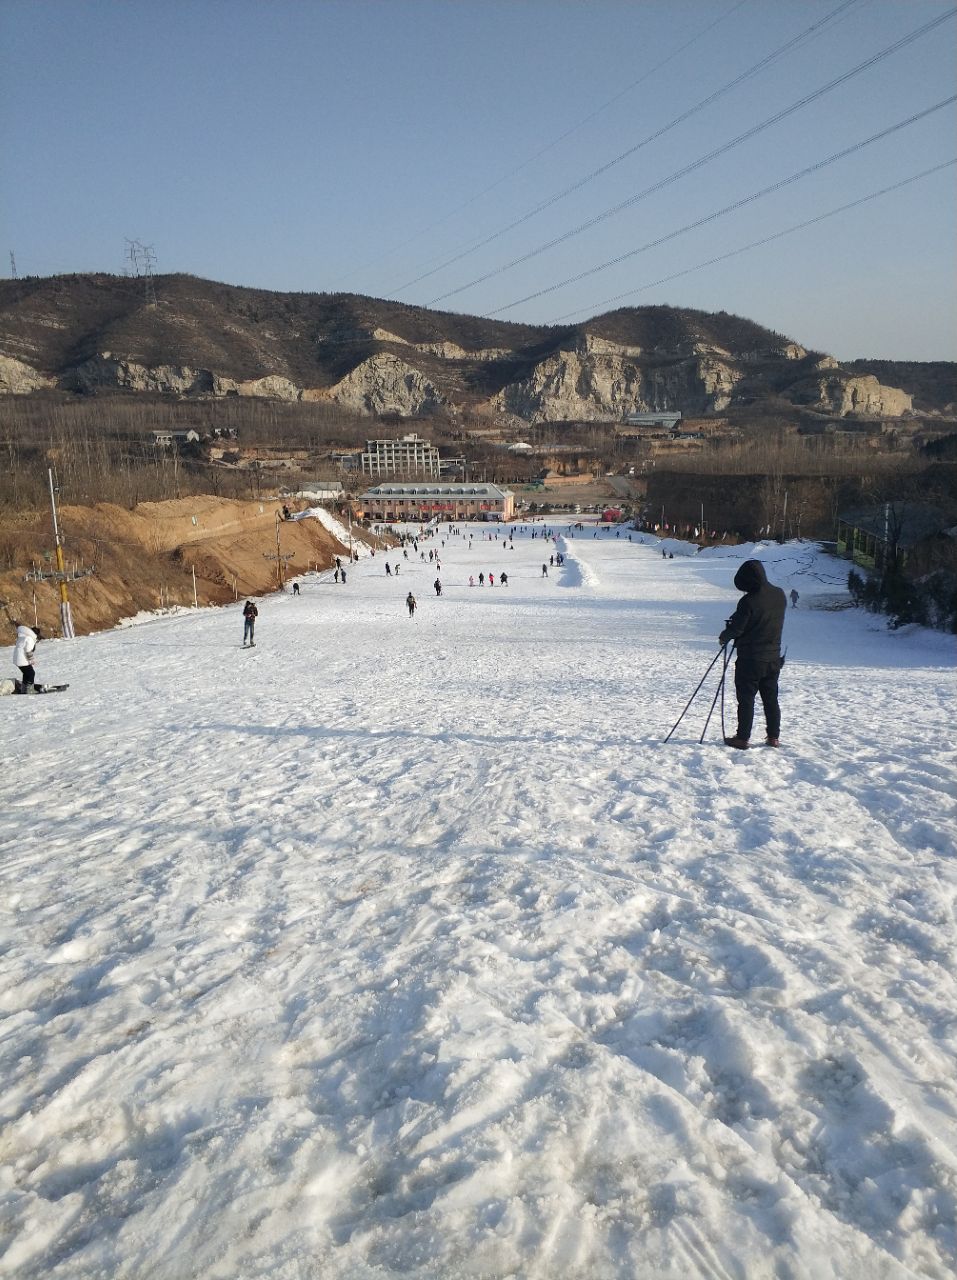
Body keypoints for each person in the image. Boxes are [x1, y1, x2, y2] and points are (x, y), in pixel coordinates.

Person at [719, 560, 786, 749]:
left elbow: (738, 628)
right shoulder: (779, 595)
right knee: (771, 699)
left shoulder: (749, 601)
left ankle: (742, 738)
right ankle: (773, 737)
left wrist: (725, 635)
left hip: (750, 659)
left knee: (746, 699)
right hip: (773, 658)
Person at [13, 622, 42, 692]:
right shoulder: (29, 638)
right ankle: (29, 689)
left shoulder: (22, 637)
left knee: (26, 673)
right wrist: (31, 660)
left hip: (18, 659)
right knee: (31, 673)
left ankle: (23, 689)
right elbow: (28, 651)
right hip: (22, 660)